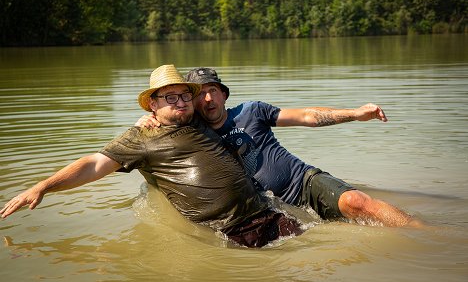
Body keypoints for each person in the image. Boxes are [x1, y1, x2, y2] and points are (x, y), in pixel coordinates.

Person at [0, 64, 304, 248]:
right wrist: (42, 186)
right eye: (170, 97)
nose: (182, 102)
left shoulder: (197, 119)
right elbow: (93, 165)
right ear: (152, 105)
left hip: (272, 213)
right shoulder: (141, 138)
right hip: (235, 233)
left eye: (186, 95)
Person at [137, 67, 421, 228]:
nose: (208, 98)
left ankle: (424, 232)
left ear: (224, 94)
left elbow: (307, 116)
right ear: (192, 100)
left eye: (213, 90)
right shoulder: (192, 133)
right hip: (272, 210)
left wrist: (355, 113)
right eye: (200, 93)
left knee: (357, 203)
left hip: (304, 183)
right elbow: (162, 127)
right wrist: (147, 119)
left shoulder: (251, 111)